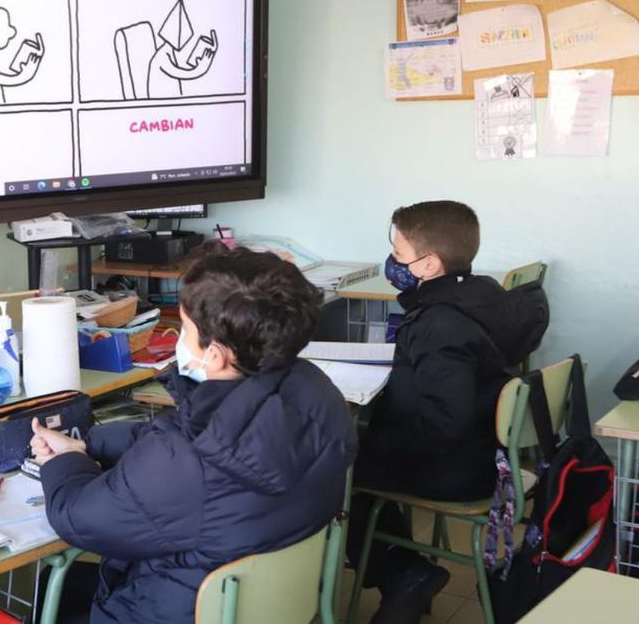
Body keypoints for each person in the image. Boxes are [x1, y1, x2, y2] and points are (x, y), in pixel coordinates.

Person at [30, 246, 357, 624]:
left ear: (216, 355)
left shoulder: (191, 459)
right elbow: (172, 442)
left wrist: (63, 463)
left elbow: (78, 518)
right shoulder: (315, 391)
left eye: (184, 329)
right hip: (267, 604)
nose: (177, 338)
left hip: (173, 609)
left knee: (51, 585)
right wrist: (89, 444)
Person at [348, 201, 548, 624]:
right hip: (486, 455)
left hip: (454, 468)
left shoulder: (439, 325)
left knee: (341, 468)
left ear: (429, 264)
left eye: (399, 254)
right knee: (359, 455)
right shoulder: (483, 296)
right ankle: (406, 570)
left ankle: (404, 573)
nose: (393, 261)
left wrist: (374, 435)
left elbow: (444, 421)